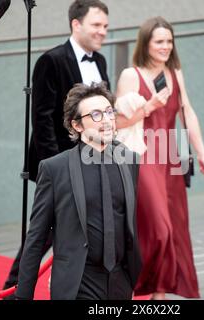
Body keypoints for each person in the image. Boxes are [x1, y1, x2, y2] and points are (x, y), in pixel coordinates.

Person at [3, 0, 110, 293]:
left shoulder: (99, 61)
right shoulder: (51, 60)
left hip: (96, 162)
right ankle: (13, 291)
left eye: (105, 26)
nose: (103, 32)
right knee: (42, 234)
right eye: (97, 25)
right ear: (76, 24)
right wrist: (60, 169)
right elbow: (42, 120)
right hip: (60, 167)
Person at [115, 16, 204, 300]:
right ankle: (134, 289)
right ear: (146, 44)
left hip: (172, 157)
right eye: (159, 41)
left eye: (169, 41)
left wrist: (202, 153)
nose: (166, 46)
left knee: (175, 230)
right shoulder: (130, 75)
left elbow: (188, 112)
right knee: (159, 229)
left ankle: (160, 298)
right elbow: (118, 123)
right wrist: (149, 105)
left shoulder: (175, 71)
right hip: (143, 156)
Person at [15, 83, 141, 300]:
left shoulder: (129, 160)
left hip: (121, 280)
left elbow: (128, 221)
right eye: (96, 115)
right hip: (79, 281)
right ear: (77, 125)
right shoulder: (55, 169)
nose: (107, 120)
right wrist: (22, 295)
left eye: (109, 112)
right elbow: (36, 237)